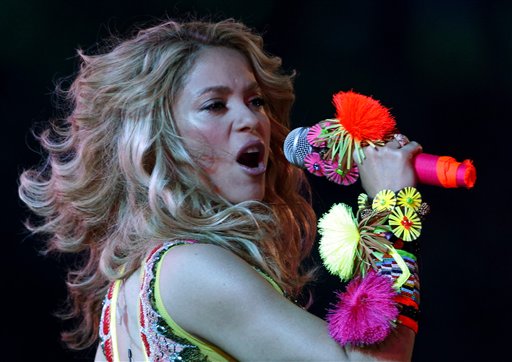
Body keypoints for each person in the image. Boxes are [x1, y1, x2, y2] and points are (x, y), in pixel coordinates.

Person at [19, 18, 423, 361]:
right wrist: (390, 209)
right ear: (156, 138)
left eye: (256, 101)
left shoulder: (139, 284)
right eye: (215, 105)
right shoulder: (191, 268)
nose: (250, 119)